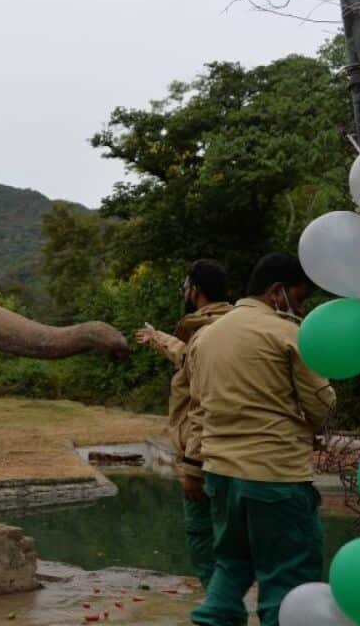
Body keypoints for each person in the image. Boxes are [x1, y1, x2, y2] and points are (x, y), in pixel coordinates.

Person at [184, 253, 337, 626]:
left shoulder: (206, 335)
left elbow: (198, 408)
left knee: (232, 564)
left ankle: (212, 620)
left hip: (220, 473)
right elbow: (321, 402)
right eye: (300, 299)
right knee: (288, 575)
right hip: (275, 476)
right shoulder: (288, 333)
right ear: (276, 292)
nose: (300, 309)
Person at [136, 259, 233, 587]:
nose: (184, 292)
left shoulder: (206, 332)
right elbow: (186, 356)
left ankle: (220, 608)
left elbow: (205, 406)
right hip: (241, 459)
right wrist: (157, 337)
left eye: (186, 286)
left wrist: (192, 466)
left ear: (197, 291)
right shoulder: (232, 325)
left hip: (206, 457)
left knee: (203, 537)